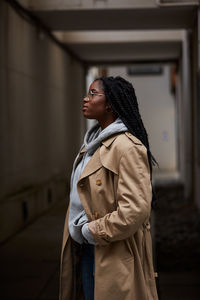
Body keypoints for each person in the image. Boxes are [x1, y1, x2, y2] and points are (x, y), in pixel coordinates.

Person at [59, 76, 159, 300]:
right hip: (87, 249)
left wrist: (90, 231)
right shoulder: (92, 144)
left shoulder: (127, 147)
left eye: (93, 94)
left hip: (113, 252)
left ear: (110, 103)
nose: (85, 99)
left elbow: (134, 210)